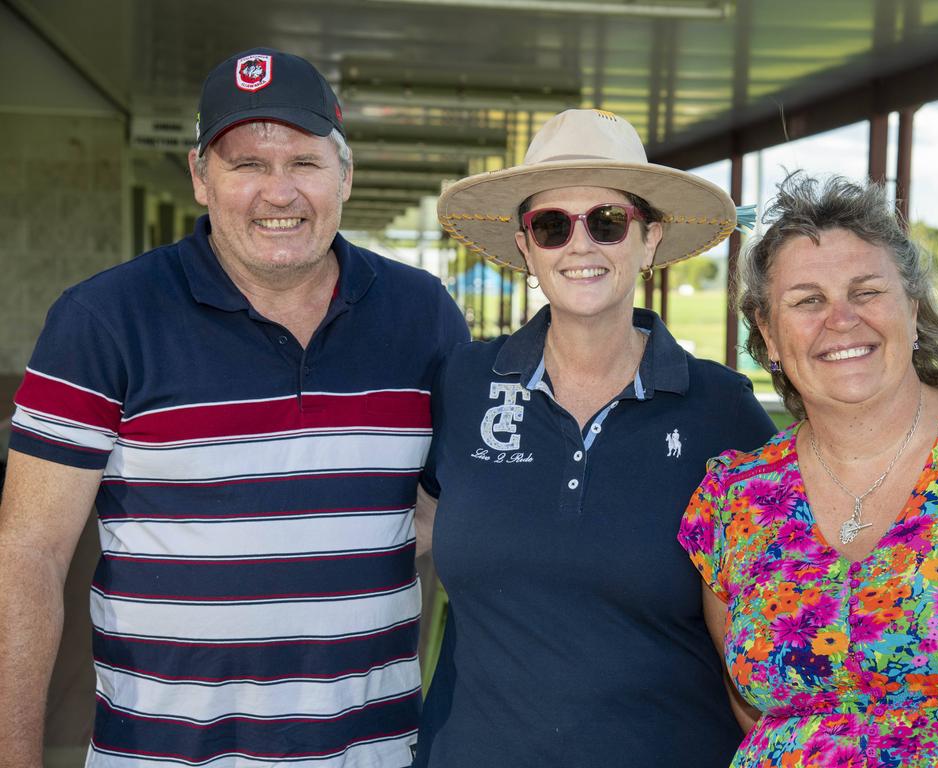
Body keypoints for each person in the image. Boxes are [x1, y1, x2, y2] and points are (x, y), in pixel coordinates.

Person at [0, 47, 468, 767]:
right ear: (199, 178)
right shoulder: (103, 320)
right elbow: (27, 555)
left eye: (304, 163)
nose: (278, 192)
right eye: (247, 163)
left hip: (370, 753)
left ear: (344, 175)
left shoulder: (422, 317)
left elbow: (446, 517)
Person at [413, 109, 777, 767]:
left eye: (607, 223)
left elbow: (782, 604)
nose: (580, 245)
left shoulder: (721, 409)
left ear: (649, 240)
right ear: (526, 248)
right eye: (552, 226)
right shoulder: (463, 382)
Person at [678, 174, 938, 767]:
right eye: (807, 300)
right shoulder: (735, 498)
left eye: (866, 291)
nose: (841, 320)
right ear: (768, 333)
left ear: (912, 311)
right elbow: (754, 708)